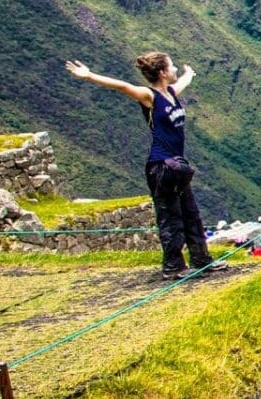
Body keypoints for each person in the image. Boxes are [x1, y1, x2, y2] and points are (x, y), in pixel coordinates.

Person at [66, 51, 213, 279]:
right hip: (161, 166)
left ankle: (202, 260)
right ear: (163, 72)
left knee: (191, 214)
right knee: (170, 216)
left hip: (178, 166)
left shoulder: (172, 93)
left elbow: (183, 81)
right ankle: (174, 266)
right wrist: (89, 76)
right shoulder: (150, 96)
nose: (174, 70)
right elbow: (123, 87)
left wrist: (188, 74)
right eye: (172, 67)